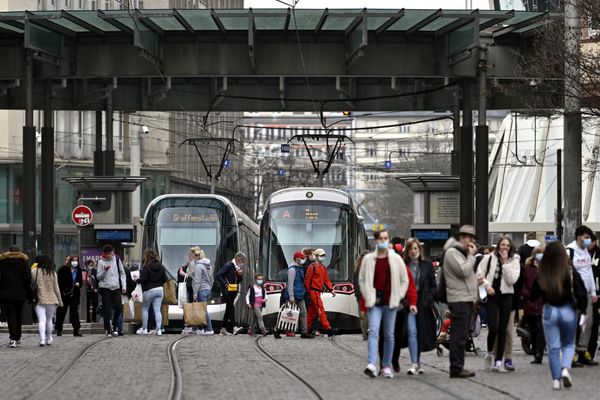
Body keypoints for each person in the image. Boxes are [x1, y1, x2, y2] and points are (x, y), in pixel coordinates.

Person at [530, 241, 588, 390]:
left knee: (553, 347)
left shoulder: (543, 271)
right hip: (568, 311)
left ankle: (555, 380)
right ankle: (565, 369)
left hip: (550, 311)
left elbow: (533, 296)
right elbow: (581, 291)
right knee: (569, 344)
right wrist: (583, 311)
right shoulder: (569, 269)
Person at [359, 230, 409, 378]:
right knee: (373, 331)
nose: (383, 241)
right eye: (381, 239)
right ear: (376, 241)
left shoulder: (396, 259)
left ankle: (386, 365)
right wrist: (367, 294)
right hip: (375, 301)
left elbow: (404, 279)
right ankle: (371, 364)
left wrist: (399, 295)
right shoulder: (368, 259)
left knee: (389, 335)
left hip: (391, 302)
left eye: (386, 238)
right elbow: (361, 279)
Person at [477, 236, 521, 373]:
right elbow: (479, 275)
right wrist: (486, 286)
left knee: (503, 329)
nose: (505, 248)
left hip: (507, 296)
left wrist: (506, 263)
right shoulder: (489, 258)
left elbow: (512, 280)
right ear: (498, 246)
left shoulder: (514, 260)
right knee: (493, 328)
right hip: (492, 296)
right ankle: (489, 352)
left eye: (507, 246)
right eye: (503, 245)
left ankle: (498, 362)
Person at [443, 225, 478, 378]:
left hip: (465, 298)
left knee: (462, 334)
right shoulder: (452, 252)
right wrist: (471, 256)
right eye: (470, 238)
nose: (472, 242)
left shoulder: (460, 253)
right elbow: (463, 271)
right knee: (458, 335)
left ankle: (458, 366)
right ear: (462, 238)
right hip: (459, 299)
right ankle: (456, 367)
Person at [405, 238, 438, 375]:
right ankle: (414, 363)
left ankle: (417, 362)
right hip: (408, 305)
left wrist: (428, 299)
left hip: (423, 305)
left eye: (415, 249)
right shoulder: (403, 266)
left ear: (419, 250)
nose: (413, 252)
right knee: (412, 332)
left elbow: (433, 286)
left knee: (420, 333)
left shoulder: (427, 266)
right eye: (411, 249)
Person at [378, 257, 417, 374]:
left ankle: (394, 359)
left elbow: (410, 288)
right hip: (384, 307)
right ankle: (383, 363)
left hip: (400, 308)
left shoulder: (404, 270)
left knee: (398, 336)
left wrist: (409, 303)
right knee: (383, 336)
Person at [566, 225, 598, 365]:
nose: (588, 240)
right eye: (586, 237)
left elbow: (589, 272)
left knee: (587, 322)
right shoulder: (570, 251)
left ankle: (582, 351)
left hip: (587, 293)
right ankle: (570, 353)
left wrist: (593, 292)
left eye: (589, 238)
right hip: (574, 293)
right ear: (579, 237)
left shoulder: (585, 251)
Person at [275, 251, 314, 339]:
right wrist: (291, 296)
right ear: (297, 259)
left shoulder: (299, 268)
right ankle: (277, 330)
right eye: (302, 258)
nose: (303, 260)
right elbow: (290, 284)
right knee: (286, 314)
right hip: (292, 296)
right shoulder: (292, 270)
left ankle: (304, 332)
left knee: (303, 312)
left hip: (300, 295)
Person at [0, 246, 31, 348]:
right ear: (19, 252)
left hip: (6, 293)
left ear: (8, 251)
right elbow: (27, 279)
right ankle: (17, 337)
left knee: (10, 316)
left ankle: (12, 338)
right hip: (20, 293)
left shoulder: (2, 262)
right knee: (18, 316)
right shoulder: (23, 263)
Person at [521, 245, 546, 364]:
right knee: (532, 330)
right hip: (530, 303)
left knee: (541, 328)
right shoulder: (527, 268)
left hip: (542, 303)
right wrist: (527, 294)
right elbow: (522, 284)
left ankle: (539, 353)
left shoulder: (547, 268)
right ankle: (535, 349)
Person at [305, 248, 337, 336]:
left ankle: (306, 329)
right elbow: (307, 281)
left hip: (317, 292)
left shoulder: (323, 267)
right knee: (320, 309)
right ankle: (328, 328)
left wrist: (331, 290)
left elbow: (326, 280)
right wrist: (308, 293)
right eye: (321, 255)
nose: (323, 257)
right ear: (316, 256)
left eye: (323, 255)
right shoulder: (312, 267)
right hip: (313, 292)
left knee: (312, 312)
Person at [96, 244, 127, 337]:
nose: (109, 255)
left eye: (111, 253)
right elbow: (98, 277)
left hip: (116, 287)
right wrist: (105, 271)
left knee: (118, 307)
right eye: (107, 254)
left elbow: (122, 273)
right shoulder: (101, 262)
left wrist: (124, 285)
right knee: (107, 310)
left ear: (113, 252)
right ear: (104, 254)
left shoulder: (117, 260)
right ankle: (108, 329)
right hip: (105, 287)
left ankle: (113, 324)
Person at [32, 255, 62, 346]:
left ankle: (42, 340)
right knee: (49, 320)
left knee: (41, 320)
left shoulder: (34, 271)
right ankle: (49, 338)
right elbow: (56, 289)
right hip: (52, 299)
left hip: (39, 298)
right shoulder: (52, 273)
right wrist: (60, 301)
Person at [136, 250, 168, 336]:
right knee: (157, 310)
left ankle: (145, 329)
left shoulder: (146, 267)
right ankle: (159, 330)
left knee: (145, 309)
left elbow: (144, 279)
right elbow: (165, 279)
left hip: (149, 290)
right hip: (160, 290)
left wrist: (137, 280)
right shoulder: (162, 267)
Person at [217, 252, 246, 335]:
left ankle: (223, 329)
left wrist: (240, 275)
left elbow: (238, 281)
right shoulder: (229, 265)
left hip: (233, 290)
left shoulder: (236, 268)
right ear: (238, 259)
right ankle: (234, 327)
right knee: (231, 308)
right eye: (242, 261)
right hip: (227, 291)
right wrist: (225, 285)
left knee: (228, 309)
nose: (242, 263)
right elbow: (219, 275)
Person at [56, 255, 84, 337]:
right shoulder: (63, 269)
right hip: (64, 294)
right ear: (70, 261)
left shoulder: (78, 270)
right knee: (61, 312)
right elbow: (59, 281)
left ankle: (76, 330)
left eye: (76, 260)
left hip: (74, 294)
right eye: (73, 260)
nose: (75, 262)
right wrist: (61, 291)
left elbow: (81, 282)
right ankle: (59, 329)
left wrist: (78, 284)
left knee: (74, 312)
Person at [192, 249, 215, 335]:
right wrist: (210, 289)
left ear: (197, 257)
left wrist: (195, 293)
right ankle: (200, 328)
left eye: (195, 256)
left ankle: (209, 329)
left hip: (201, 290)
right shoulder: (209, 266)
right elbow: (212, 280)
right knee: (202, 309)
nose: (193, 258)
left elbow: (197, 281)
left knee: (203, 310)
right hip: (208, 289)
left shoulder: (199, 266)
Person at [179, 246, 200, 334]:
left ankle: (188, 326)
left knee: (189, 307)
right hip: (195, 288)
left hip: (191, 288)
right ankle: (193, 326)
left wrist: (184, 274)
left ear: (193, 254)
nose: (188, 255)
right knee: (193, 307)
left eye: (189, 253)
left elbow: (192, 277)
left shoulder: (192, 263)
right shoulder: (197, 262)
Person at [587, 233, 600, 363]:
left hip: (597, 294)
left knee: (595, 324)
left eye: (590, 241)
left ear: (595, 242)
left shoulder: (598, 254)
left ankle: (590, 352)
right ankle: (584, 352)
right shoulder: (583, 254)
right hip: (586, 294)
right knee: (587, 324)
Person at [353, 249, 370, 341]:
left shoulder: (357, 269)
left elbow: (355, 283)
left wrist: (358, 294)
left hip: (361, 295)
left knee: (363, 315)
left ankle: (365, 335)